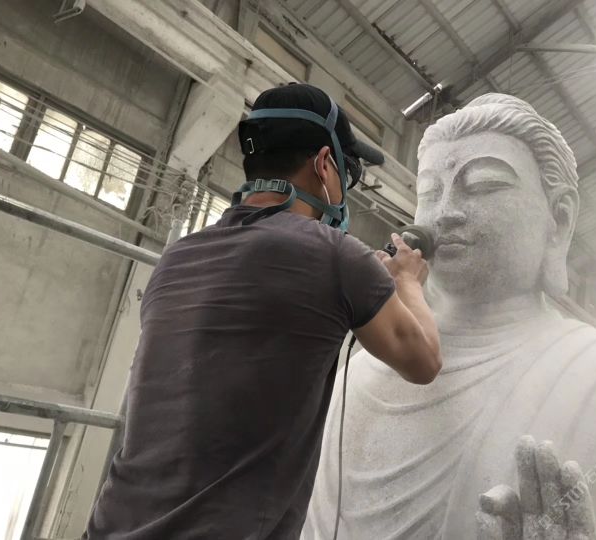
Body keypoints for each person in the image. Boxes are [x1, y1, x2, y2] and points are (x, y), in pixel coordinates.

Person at [303, 93, 596, 539]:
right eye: (430, 191)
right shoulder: (358, 374)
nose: (446, 212)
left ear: (559, 219)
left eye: (484, 185)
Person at [85, 83, 441, 539]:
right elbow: (424, 361)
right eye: (347, 174)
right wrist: (406, 281)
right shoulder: (336, 256)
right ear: (324, 164)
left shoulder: (175, 258)